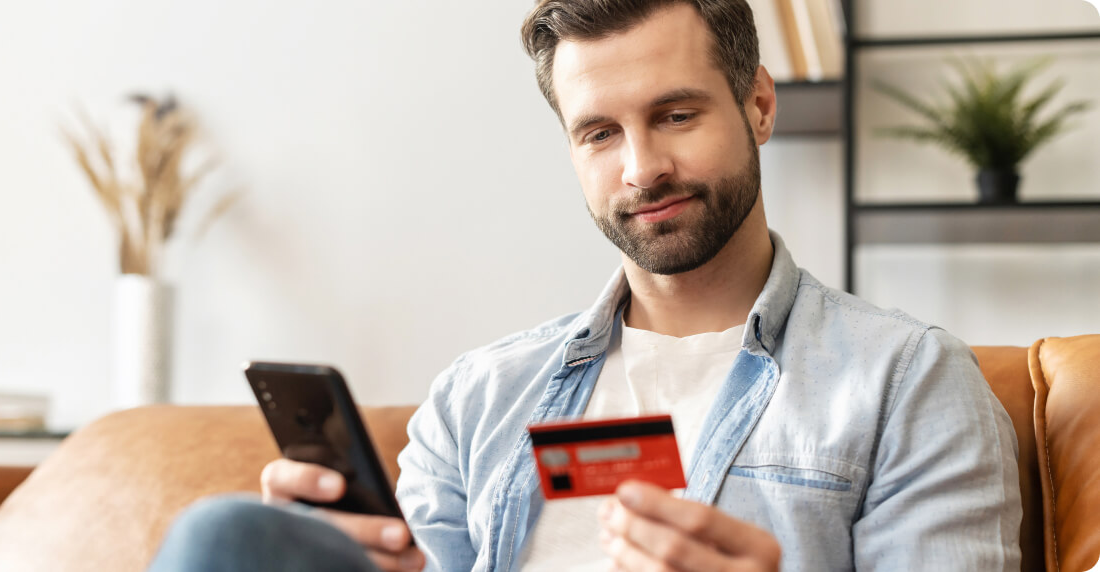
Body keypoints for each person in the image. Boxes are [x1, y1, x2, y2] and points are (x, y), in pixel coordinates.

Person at [149, 1, 1022, 570]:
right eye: (600, 133)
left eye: (676, 115)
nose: (643, 168)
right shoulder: (479, 395)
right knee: (225, 538)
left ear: (758, 104)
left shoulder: (907, 380)